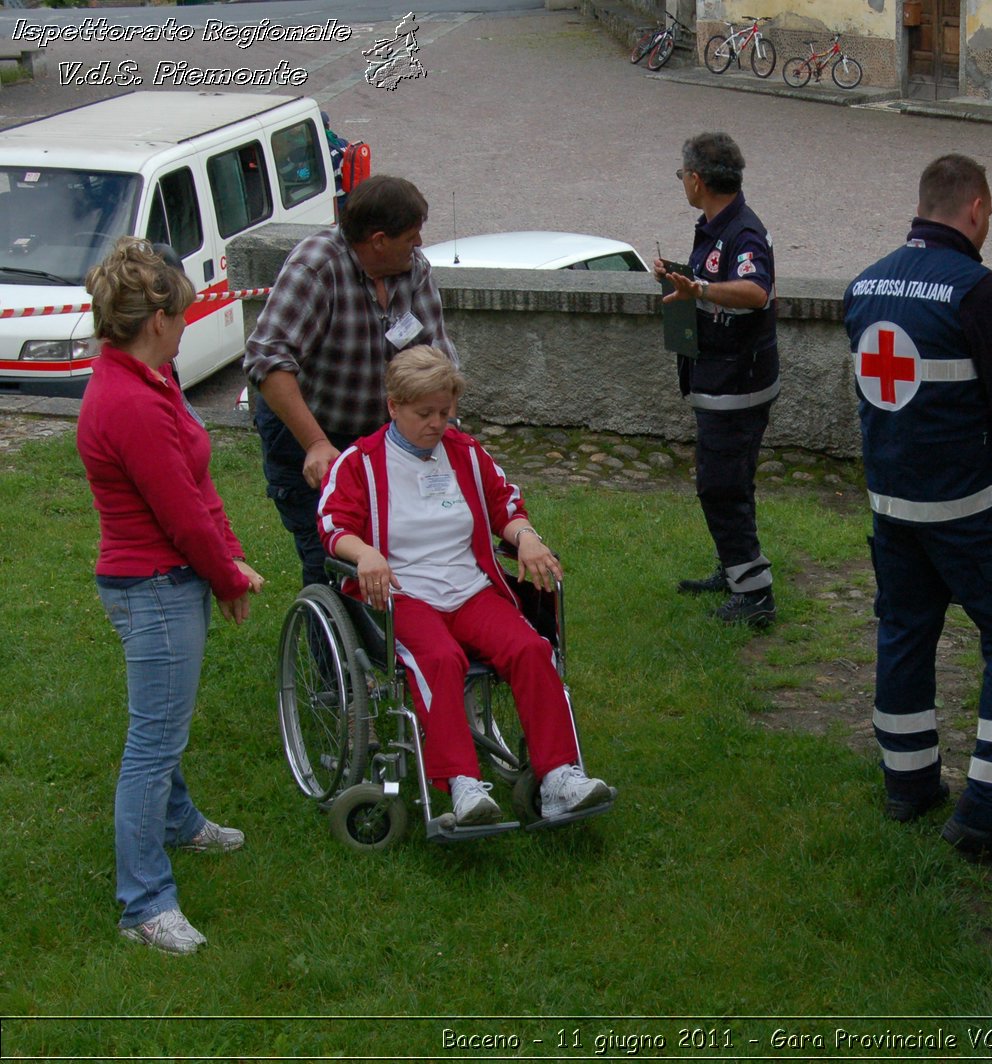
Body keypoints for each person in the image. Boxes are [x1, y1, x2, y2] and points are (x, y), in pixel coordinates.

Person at [844, 154, 992, 860]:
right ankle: (990, 810)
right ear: (973, 209)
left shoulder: (865, 285)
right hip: (969, 506)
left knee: (904, 629)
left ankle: (907, 782)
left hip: (892, 503)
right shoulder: (980, 292)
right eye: (989, 214)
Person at [318, 346, 612, 826]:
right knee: (440, 659)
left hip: (470, 589)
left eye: (445, 412)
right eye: (425, 414)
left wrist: (528, 539)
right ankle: (461, 784)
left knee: (530, 648)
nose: (438, 424)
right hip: (405, 595)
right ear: (393, 406)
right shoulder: (362, 462)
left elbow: (505, 507)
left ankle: (560, 776)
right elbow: (333, 525)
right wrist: (364, 552)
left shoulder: (466, 453)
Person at [77, 237, 265, 955]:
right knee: (153, 744)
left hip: (167, 580)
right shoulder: (129, 400)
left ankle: (178, 824)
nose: (189, 324)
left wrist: (229, 558)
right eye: (182, 314)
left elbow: (196, 479)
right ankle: (144, 904)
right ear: (156, 317)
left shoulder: (150, 378)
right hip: (152, 589)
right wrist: (224, 576)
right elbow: (177, 513)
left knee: (165, 724)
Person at [244, 174, 455, 588]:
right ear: (378, 240)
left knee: (392, 543)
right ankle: (331, 646)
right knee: (329, 552)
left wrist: (446, 431)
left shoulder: (413, 271)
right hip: (306, 430)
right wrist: (316, 443)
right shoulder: (316, 266)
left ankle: (388, 641)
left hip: (378, 436)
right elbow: (266, 359)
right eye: (411, 236)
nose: (419, 245)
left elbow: (439, 360)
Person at [654, 132, 780, 627]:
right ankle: (733, 570)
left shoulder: (744, 232)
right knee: (730, 482)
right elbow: (710, 284)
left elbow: (754, 291)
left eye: (681, 175)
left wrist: (701, 286)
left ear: (697, 179)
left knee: (720, 487)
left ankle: (755, 596)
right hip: (718, 377)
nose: (681, 182)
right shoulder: (714, 227)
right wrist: (683, 279)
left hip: (737, 384)